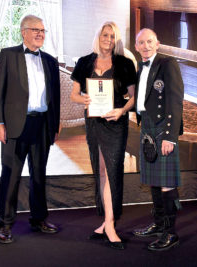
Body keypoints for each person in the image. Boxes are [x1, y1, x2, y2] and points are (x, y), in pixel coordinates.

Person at [0, 15, 60, 244]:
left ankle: (39, 218)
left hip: (42, 125)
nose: (40, 34)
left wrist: (55, 125)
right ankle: (5, 223)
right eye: (35, 30)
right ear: (23, 32)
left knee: (39, 175)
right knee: (11, 176)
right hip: (14, 126)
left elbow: (55, 98)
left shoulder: (50, 61)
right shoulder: (8, 55)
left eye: (43, 30)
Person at [70, 21, 136, 250]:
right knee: (99, 170)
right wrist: (85, 100)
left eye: (113, 37)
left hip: (115, 124)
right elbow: (74, 95)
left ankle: (110, 223)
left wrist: (122, 110)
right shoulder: (84, 62)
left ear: (116, 40)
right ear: (98, 36)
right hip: (93, 123)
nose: (108, 40)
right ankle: (106, 220)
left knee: (112, 171)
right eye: (105, 35)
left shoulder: (125, 63)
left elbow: (133, 98)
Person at [132, 28, 184, 251]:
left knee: (166, 182)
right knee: (154, 180)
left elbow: (175, 99)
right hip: (147, 126)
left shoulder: (167, 63)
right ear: (136, 46)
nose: (146, 46)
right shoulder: (140, 66)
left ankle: (170, 233)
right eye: (141, 42)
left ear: (158, 43)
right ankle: (158, 223)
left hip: (163, 127)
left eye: (150, 41)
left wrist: (170, 137)